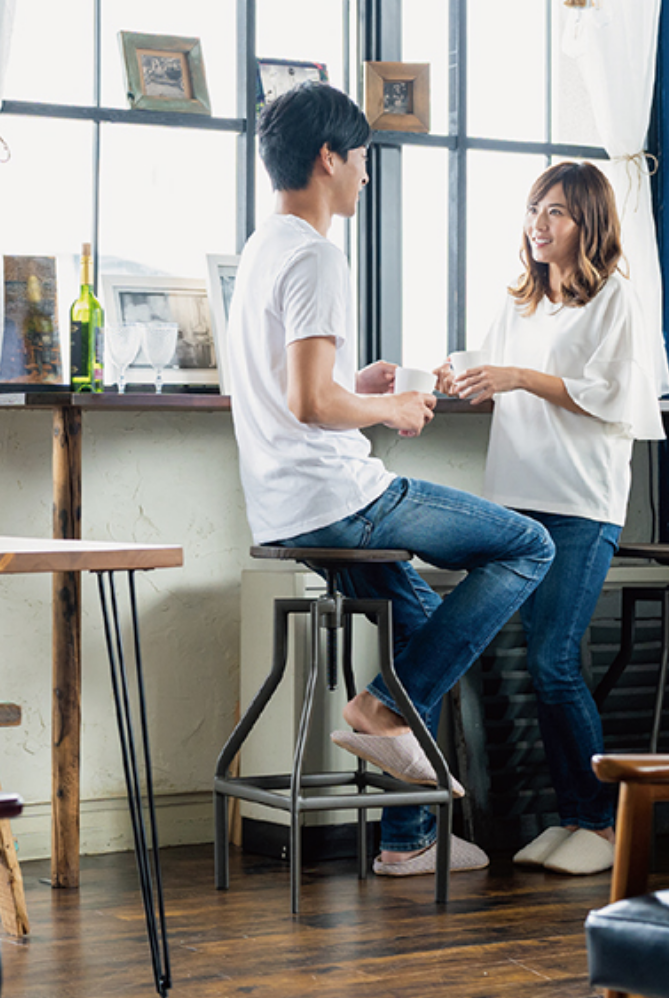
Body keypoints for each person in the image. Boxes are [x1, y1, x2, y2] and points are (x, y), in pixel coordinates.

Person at [226, 81, 555, 876]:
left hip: (280, 506)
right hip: (338, 500)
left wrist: (361, 389)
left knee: (420, 629)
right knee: (529, 547)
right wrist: (395, 411)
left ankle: (407, 841)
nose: (367, 176)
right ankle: (375, 708)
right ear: (329, 158)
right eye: (363, 158)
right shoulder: (316, 253)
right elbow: (310, 401)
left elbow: (293, 391)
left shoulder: (260, 248)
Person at [436, 160, 665, 876]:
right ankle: (574, 816)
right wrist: (463, 377)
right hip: (518, 502)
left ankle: (599, 823)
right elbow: (502, 378)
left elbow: (611, 395)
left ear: (588, 223)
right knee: (539, 665)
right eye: (535, 208)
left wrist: (514, 376)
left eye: (556, 212)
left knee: (554, 660)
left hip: (579, 506)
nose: (539, 222)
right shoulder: (523, 303)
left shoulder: (616, 301)